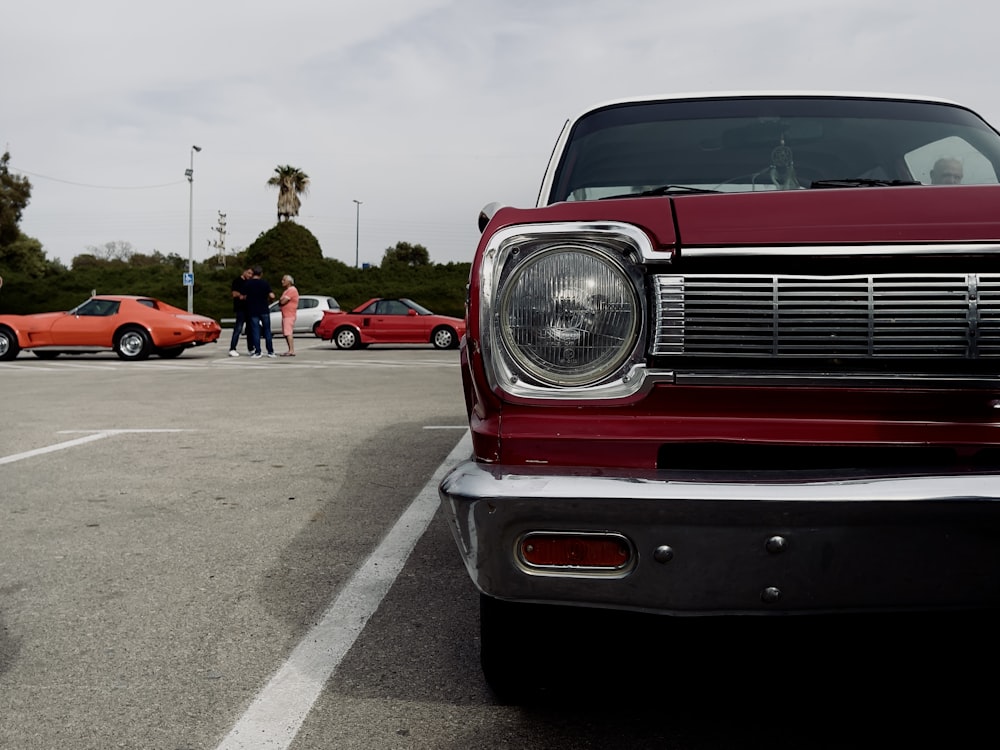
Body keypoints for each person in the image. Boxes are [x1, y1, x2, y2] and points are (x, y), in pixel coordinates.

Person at [244, 265, 276, 358]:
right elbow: (272, 296)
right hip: (264, 309)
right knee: (267, 331)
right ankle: (270, 351)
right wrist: (270, 301)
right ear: (261, 274)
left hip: (253, 310)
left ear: (253, 273)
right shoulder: (264, 283)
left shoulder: (248, 284)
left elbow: (244, 296)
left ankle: (258, 351)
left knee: (255, 331)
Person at [228, 267, 254, 357]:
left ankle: (251, 348)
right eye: (249, 273)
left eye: (251, 274)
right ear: (244, 272)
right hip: (240, 309)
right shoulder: (237, 281)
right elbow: (234, 294)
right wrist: (242, 295)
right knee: (238, 328)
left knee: (250, 329)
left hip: (249, 308)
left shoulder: (250, 282)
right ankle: (232, 348)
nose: (250, 275)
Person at [278, 274, 299, 356]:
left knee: (288, 332)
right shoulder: (286, 291)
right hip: (285, 314)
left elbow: (283, 301)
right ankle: (290, 349)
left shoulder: (292, 290)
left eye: (284, 280)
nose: (282, 282)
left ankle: (291, 350)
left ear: (289, 282)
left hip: (289, 315)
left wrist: (281, 302)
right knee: (286, 332)